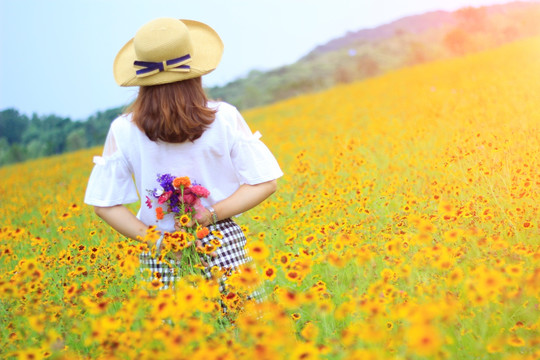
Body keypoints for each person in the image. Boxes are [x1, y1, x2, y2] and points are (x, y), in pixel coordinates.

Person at [83, 18, 283, 295]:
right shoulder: (223, 117)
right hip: (221, 241)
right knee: (246, 331)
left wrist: (160, 242)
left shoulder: (123, 129)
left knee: (178, 334)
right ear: (195, 72)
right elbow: (266, 182)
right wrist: (209, 215)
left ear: (142, 79)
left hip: (161, 252)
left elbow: (104, 205)